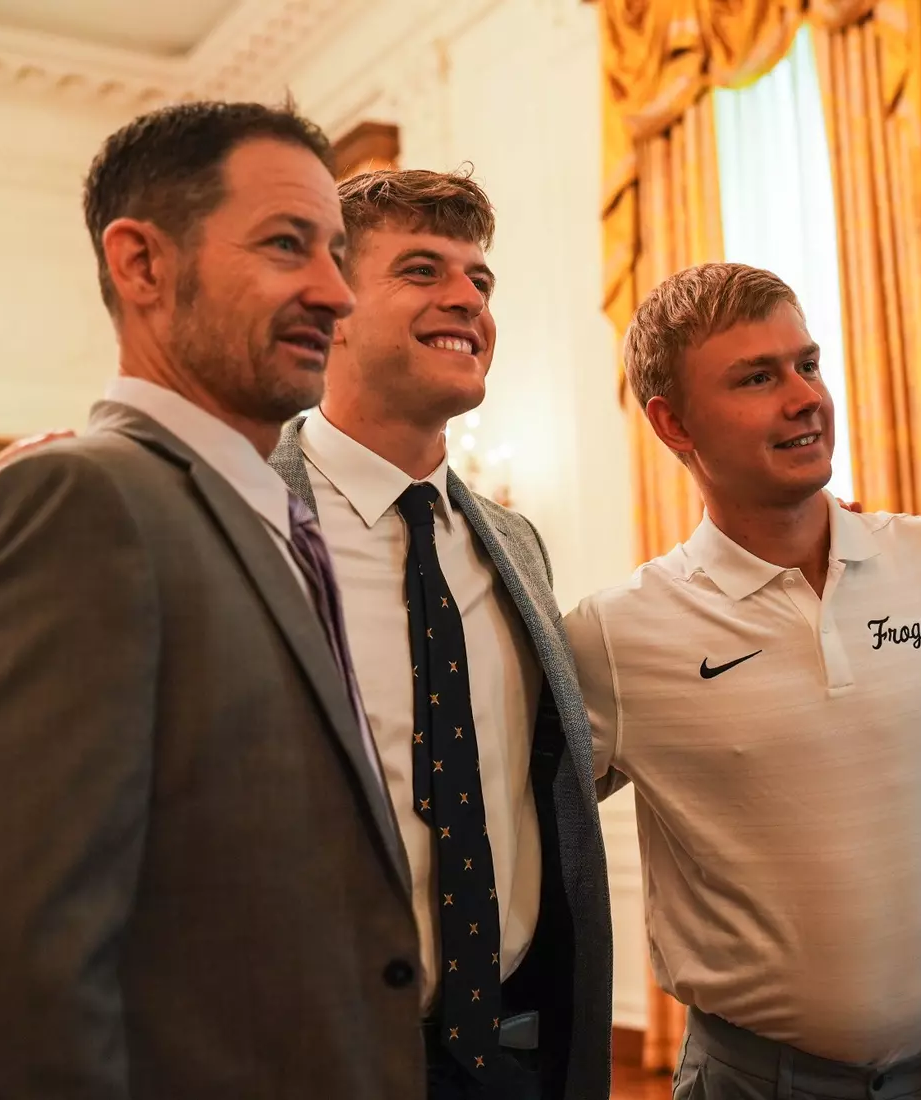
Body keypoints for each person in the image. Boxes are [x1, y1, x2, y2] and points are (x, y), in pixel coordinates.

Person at [0, 102, 426, 1099]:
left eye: (338, 253)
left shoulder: (270, 510)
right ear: (141, 264)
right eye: (286, 245)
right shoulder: (71, 502)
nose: (335, 292)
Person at [564, 262, 921, 1100]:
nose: (805, 396)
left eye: (807, 364)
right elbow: (516, 834)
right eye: (758, 378)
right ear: (673, 423)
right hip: (756, 1084)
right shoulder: (616, 634)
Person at [266, 168, 611, 1100]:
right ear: (331, 305)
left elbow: (537, 772)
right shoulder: (233, 515)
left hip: (518, 1052)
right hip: (309, 1059)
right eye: (423, 270)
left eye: (480, 279)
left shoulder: (516, 545)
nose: (467, 298)